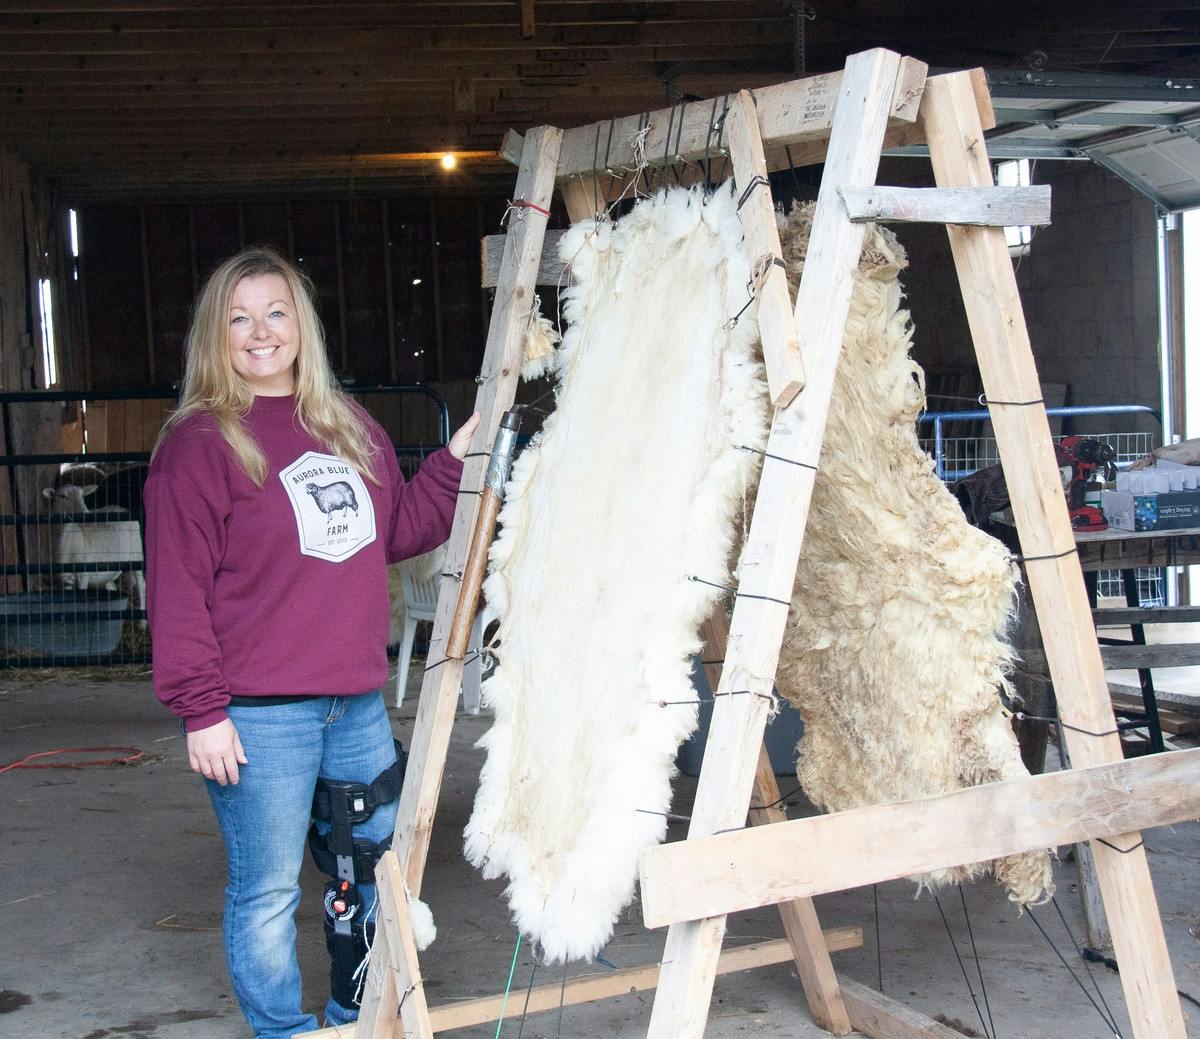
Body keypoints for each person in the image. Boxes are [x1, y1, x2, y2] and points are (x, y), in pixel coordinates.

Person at [145, 246, 478, 1038]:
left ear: (301, 325)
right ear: (214, 335)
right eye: (239, 317)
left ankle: (350, 1014)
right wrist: (201, 711)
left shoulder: (344, 423)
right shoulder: (198, 445)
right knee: (265, 891)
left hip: (354, 704)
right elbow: (177, 589)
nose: (260, 332)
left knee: (370, 873)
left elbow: (394, 531)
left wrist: (454, 461)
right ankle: (282, 1030)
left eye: (276, 312)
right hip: (259, 716)